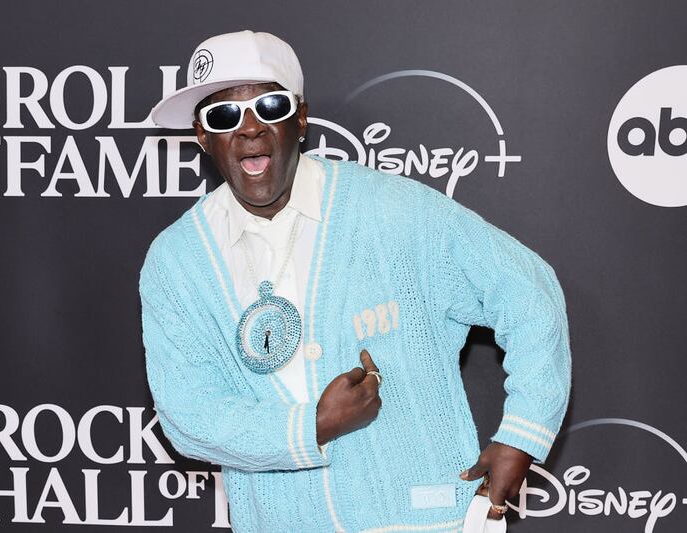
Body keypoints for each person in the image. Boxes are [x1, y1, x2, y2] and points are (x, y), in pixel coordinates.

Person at [140, 30, 571, 533]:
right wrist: (313, 425)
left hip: (424, 521)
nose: (249, 129)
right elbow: (189, 414)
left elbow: (527, 290)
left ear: (300, 119)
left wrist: (522, 434)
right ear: (202, 135)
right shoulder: (178, 261)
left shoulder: (397, 213)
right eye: (224, 116)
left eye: (270, 105)